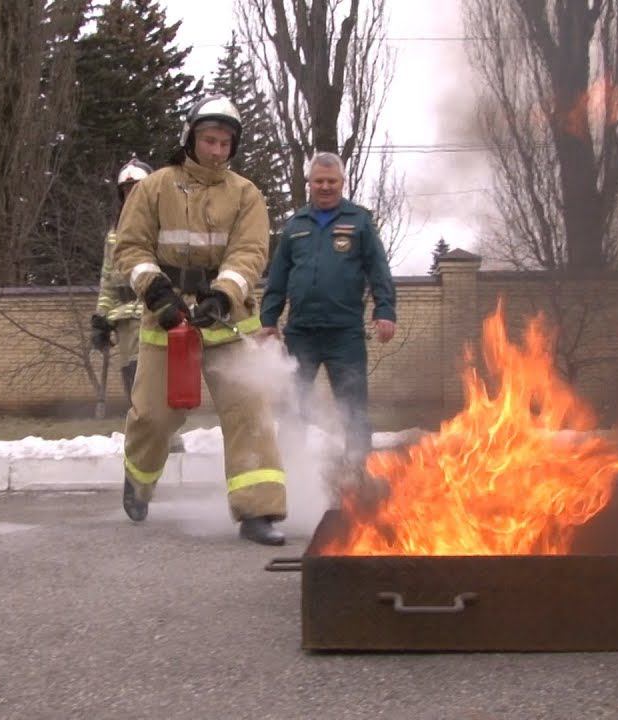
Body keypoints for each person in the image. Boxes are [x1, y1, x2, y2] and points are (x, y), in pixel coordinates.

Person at [113, 95, 287, 546]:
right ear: (190, 138)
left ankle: (258, 511)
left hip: (226, 318)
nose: (216, 150)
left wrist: (224, 295)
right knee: (154, 416)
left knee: (249, 409)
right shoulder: (154, 187)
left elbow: (250, 252)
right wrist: (155, 291)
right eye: (209, 140)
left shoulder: (246, 194)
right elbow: (130, 248)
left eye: (225, 143)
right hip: (165, 315)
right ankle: (138, 482)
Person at [260, 151, 397, 461]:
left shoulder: (359, 221)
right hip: (301, 333)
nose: (325, 187)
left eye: (331, 181)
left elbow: (379, 270)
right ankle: (290, 474)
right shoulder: (295, 225)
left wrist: (385, 310)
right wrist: (268, 319)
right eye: (319, 181)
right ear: (309, 183)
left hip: (344, 334)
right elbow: (278, 277)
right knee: (294, 407)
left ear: (342, 182)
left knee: (354, 408)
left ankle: (358, 474)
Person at [91, 158, 151, 399]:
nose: (131, 195)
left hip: (156, 315)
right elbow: (108, 282)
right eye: (126, 190)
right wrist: (101, 318)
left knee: (154, 384)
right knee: (133, 384)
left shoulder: (162, 227)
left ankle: (168, 437)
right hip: (125, 322)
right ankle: (146, 436)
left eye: (137, 188)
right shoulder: (115, 234)